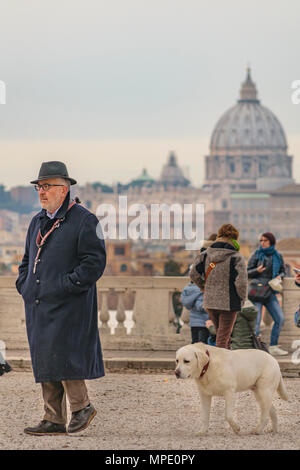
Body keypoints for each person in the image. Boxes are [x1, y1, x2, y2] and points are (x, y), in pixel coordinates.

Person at [16, 161, 106, 436]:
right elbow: (26, 260)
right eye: (39, 187)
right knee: (46, 358)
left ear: (64, 189)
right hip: (39, 302)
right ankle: (53, 418)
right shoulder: (37, 221)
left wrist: (67, 285)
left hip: (70, 303)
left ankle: (82, 407)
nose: (42, 192)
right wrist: (25, 284)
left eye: (48, 186)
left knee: (65, 354)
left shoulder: (85, 219)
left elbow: (95, 263)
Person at [190, 223, 248, 349]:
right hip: (229, 303)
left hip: (210, 301)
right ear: (234, 239)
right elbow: (241, 283)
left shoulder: (205, 255)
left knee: (221, 336)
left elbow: (193, 274)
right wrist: (242, 298)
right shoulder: (236, 257)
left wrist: (204, 287)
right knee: (222, 338)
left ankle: (228, 364)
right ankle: (220, 366)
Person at [247, 232, 288, 356]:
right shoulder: (256, 254)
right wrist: (257, 270)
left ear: (271, 242)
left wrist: (279, 277)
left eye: (265, 240)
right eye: (261, 240)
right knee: (257, 322)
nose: (262, 242)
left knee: (280, 318)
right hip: (258, 292)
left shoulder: (277, 255)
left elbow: (283, 271)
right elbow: (247, 272)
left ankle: (273, 346)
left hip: (270, 292)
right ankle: (255, 348)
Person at [181, 280, 210, 344]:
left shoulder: (187, 289)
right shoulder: (201, 289)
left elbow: (185, 302)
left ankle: (193, 354)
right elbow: (199, 305)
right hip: (203, 322)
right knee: (202, 344)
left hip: (193, 322)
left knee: (194, 342)